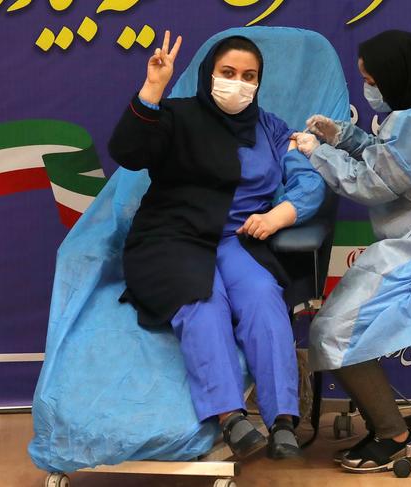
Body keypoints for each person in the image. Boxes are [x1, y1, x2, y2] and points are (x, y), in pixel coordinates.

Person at [108, 31, 326, 460]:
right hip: (172, 235)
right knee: (203, 300)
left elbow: (307, 181)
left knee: (264, 297)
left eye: (249, 76)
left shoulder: (270, 127)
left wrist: (279, 214)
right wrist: (153, 87)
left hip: (236, 239)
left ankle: (282, 418)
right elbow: (128, 151)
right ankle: (230, 416)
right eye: (228, 73)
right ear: (210, 73)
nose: (238, 83)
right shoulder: (176, 115)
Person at [294, 30, 411, 473]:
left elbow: (374, 182)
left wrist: (317, 152)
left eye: (372, 79)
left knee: (331, 332)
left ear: (398, 75)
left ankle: (392, 434)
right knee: (337, 329)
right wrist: (343, 136)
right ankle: (385, 424)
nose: (370, 88)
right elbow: (397, 161)